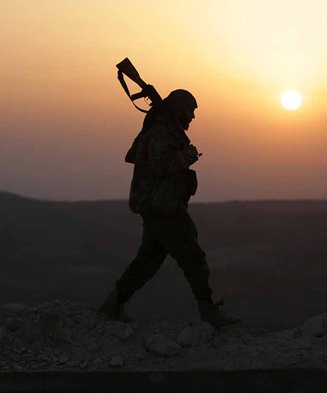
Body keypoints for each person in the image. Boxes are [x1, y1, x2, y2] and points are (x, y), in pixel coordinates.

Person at [100, 89, 240, 328]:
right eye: (190, 111)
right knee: (193, 256)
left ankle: (113, 304)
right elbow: (161, 166)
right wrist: (188, 155)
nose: (193, 116)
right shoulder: (161, 133)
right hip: (163, 208)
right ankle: (208, 310)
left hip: (161, 205)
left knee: (148, 260)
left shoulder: (168, 131)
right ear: (178, 111)